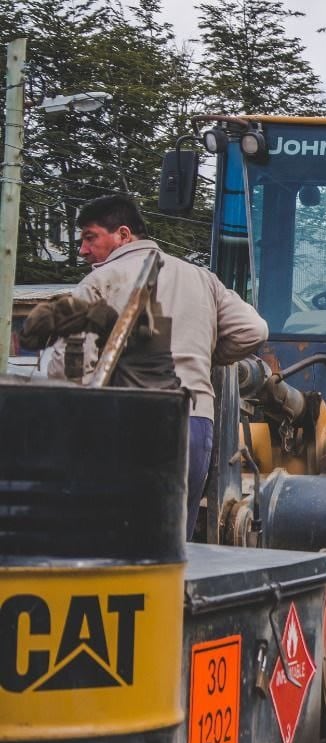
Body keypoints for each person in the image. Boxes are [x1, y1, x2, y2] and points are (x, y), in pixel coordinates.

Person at [47, 194, 268, 539]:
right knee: (171, 544)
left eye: (90, 238)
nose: (83, 251)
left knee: (114, 540)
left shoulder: (102, 280)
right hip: (194, 422)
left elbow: (67, 366)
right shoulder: (200, 277)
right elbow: (253, 330)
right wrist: (208, 355)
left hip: (127, 419)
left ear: (122, 234)